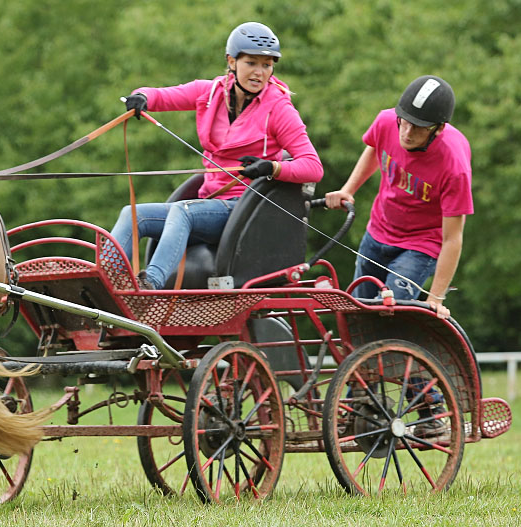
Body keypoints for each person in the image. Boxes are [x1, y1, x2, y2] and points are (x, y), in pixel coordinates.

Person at [110, 22, 323, 290]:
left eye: (267, 65)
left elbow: (313, 166)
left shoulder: (279, 108)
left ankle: (149, 285)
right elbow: (164, 96)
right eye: (251, 63)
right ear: (232, 61)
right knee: (133, 214)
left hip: (244, 210)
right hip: (207, 203)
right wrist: (141, 97)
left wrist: (271, 167)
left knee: (182, 212)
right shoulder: (210, 93)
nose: (259, 73)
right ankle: (105, 283)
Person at [325, 75, 472, 320]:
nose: (407, 132)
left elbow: (453, 238)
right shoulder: (386, 121)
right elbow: (374, 147)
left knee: (390, 313)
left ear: (438, 128)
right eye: (404, 122)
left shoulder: (454, 165)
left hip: (419, 247)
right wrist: (348, 189)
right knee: (358, 312)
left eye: (418, 127)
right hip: (377, 232)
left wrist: (435, 297)